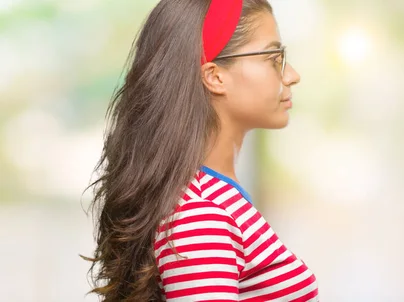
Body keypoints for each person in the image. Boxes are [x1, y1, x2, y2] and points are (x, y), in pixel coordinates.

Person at [84, 0, 319, 301]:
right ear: (215, 76)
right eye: (274, 58)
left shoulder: (215, 198)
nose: (292, 75)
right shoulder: (203, 212)